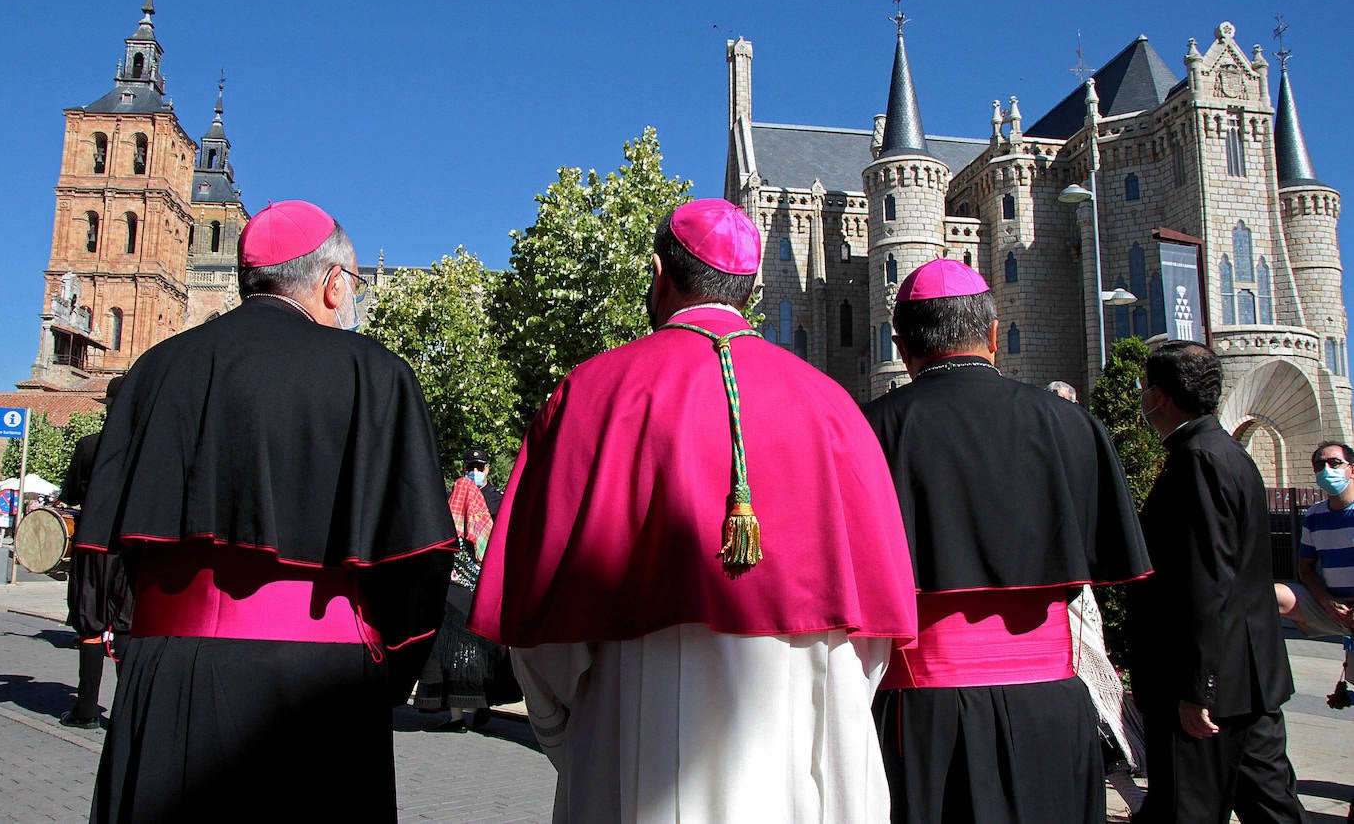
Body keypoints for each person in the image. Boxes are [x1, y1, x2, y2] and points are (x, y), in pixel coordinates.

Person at [470, 198, 919, 823]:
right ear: (751, 286)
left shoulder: (592, 392)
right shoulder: (831, 406)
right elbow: (870, 636)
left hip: (627, 733)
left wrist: (575, 732)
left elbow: (542, 624)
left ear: (659, 273)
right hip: (795, 740)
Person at [74, 200, 456, 823]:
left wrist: (135, 651)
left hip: (168, 671)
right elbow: (417, 563)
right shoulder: (374, 373)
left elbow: (104, 548)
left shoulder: (153, 371)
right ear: (333, 285)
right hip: (319, 687)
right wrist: (386, 673)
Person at [862, 257, 1152, 824]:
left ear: (900, 345)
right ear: (994, 334)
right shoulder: (1072, 424)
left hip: (923, 709)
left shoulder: (868, 430)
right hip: (1052, 708)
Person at [1128, 340, 1306, 823]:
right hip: (1250, 681)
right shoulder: (1225, 451)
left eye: (1146, 388)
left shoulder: (1199, 459)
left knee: (1189, 807)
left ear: (1160, 396)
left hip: (1214, 689)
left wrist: (1197, 687)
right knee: (1271, 806)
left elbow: (1208, 580)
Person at [412, 445, 519, 731]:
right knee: (477, 649)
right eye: (470, 467)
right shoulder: (481, 510)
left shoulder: (482, 502)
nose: (473, 473)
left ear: (487, 468)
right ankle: (476, 707)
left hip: (458, 590)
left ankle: (461, 714)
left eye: (478, 467)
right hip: (475, 589)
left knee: (453, 651)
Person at [58, 375, 135, 729]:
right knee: (125, 625)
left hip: (92, 544)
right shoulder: (144, 449)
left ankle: (85, 710)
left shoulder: (88, 446)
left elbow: (71, 495)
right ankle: (124, 714)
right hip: (130, 546)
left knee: (90, 624)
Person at [1276, 442, 1354, 639]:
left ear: (1351, 470)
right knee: (1268, 595)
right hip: (1331, 607)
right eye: (1320, 465)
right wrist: (1326, 601)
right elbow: (1306, 569)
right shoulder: (1314, 515)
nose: (1326, 470)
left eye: (1334, 463)